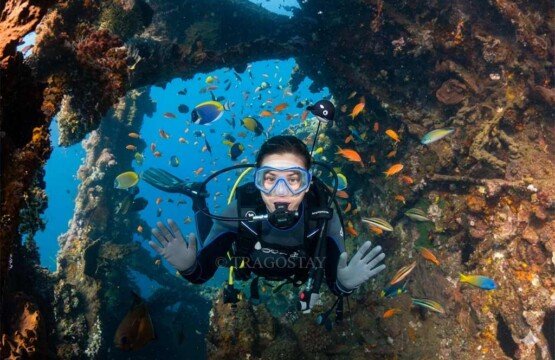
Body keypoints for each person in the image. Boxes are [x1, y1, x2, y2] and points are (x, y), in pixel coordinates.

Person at [146, 134, 386, 310]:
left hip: (295, 272)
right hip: (246, 265)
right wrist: (188, 267)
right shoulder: (241, 211)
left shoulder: (322, 217)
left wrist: (344, 284)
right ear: (257, 182)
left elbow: (335, 282)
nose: (281, 192)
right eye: (270, 179)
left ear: (308, 184)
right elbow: (201, 273)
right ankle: (198, 197)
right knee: (208, 231)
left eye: (293, 179)